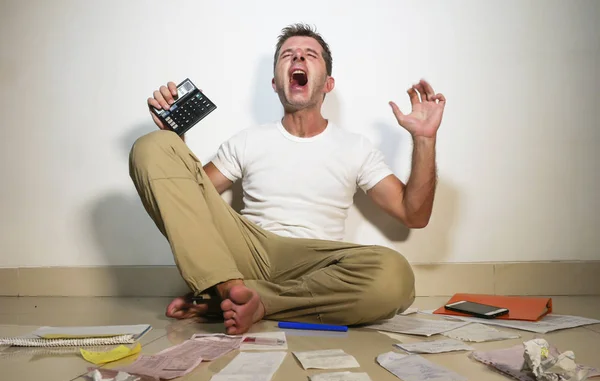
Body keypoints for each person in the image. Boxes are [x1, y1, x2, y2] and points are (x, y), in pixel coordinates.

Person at [129, 23, 446, 335]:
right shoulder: (246, 141)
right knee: (154, 146)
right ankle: (229, 288)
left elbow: (414, 214)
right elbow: (190, 203)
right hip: (250, 251)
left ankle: (247, 300)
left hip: (318, 264)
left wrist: (424, 139)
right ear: (274, 83)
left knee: (395, 276)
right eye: (288, 55)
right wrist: (175, 135)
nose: (298, 59)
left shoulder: (356, 148)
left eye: (311, 55)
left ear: (328, 83)